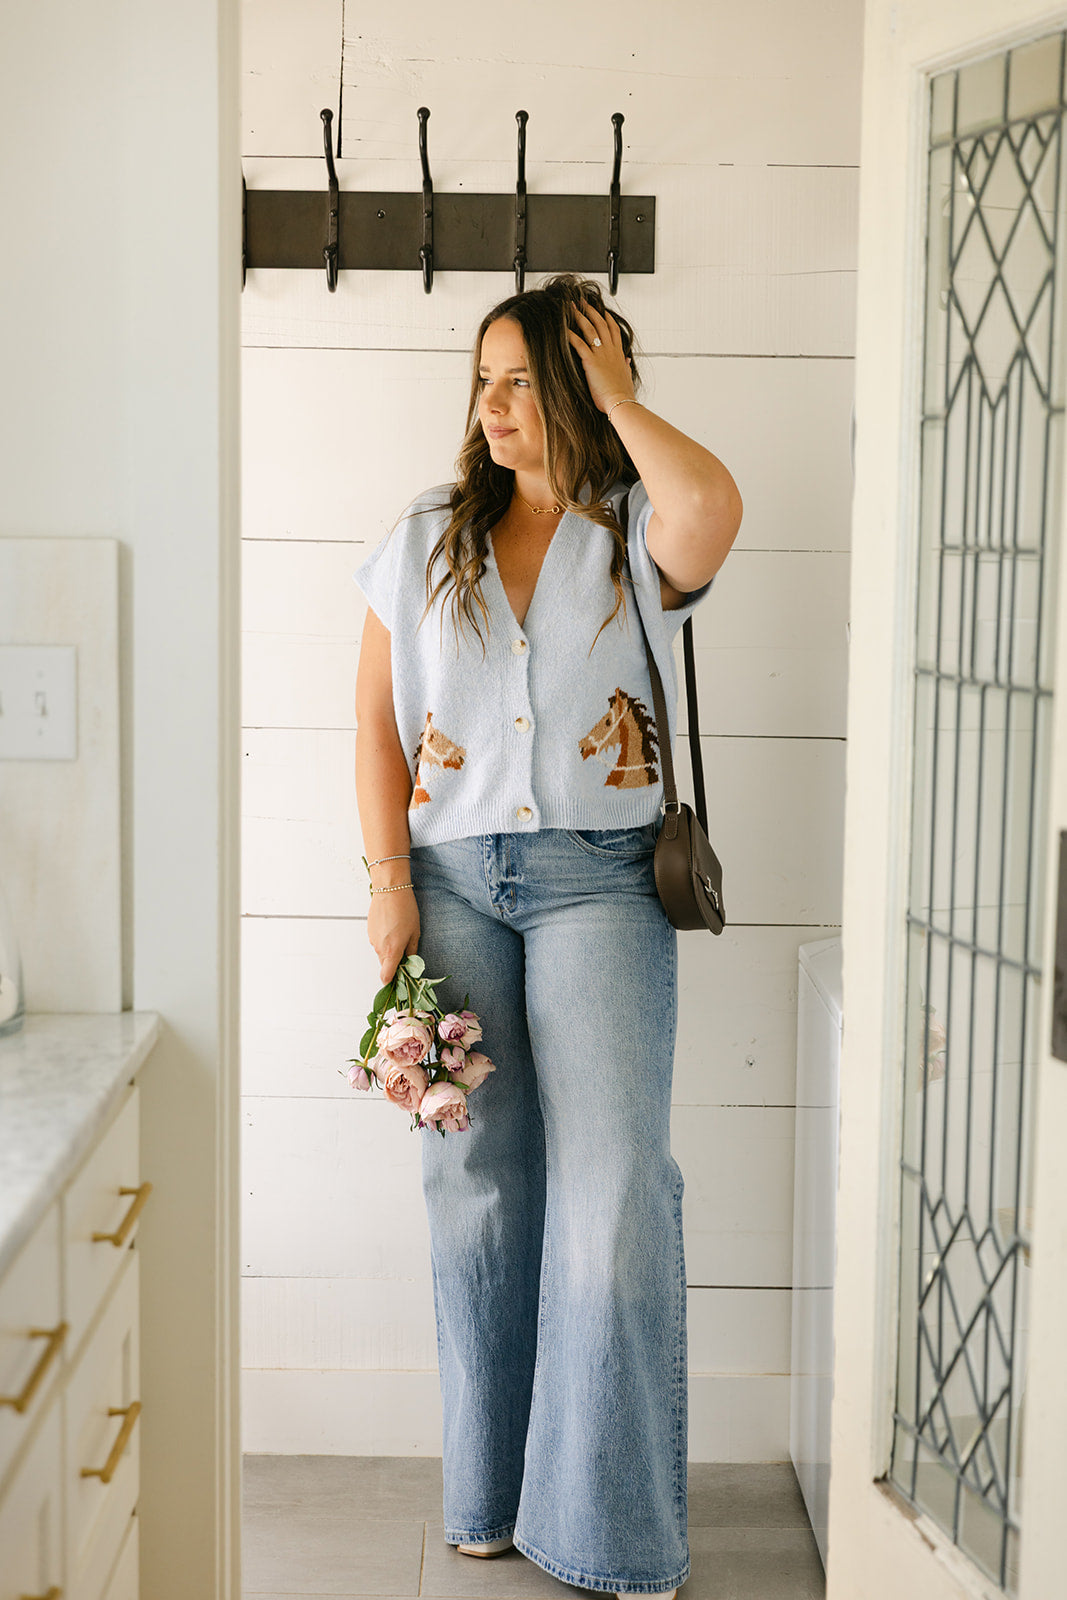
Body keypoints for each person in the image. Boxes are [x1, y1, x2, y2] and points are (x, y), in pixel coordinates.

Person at [353, 273, 742, 1597]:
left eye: (523, 380)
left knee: (616, 1186)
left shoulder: (637, 530)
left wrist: (618, 396)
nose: (494, 405)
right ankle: (488, 1493)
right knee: (474, 1183)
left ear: (579, 386)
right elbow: (373, 725)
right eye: (484, 380)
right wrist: (388, 884)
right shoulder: (426, 533)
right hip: (450, 881)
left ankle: (610, 1529)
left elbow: (715, 505)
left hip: (603, 881)